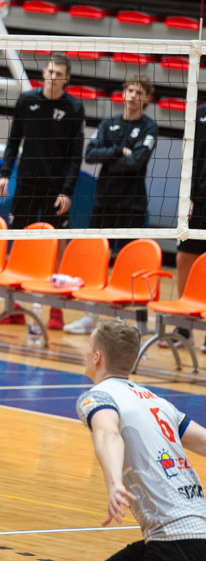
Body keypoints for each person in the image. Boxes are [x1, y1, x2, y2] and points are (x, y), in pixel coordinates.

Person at [77, 318, 206, 560]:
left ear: (97, 357)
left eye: (89, 346)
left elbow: (108, 432)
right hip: (195, 533)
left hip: (174, 540)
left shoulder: (97, 397)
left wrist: (114, 483)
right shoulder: (159, 402)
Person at [0, 53, 85, 329]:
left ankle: (55, 311)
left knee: (56, 246)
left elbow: (76, 156)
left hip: (55, 189)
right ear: (43, 73)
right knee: (19, 244)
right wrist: (4, 174)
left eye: (59, 73)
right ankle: (14, 308)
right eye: (49, 71)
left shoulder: (74, 107)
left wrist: (67, 191)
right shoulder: (27, 101)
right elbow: (13, 142)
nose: (53, 77)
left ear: (67, 78)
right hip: (26, 184)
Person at [66, 76, 158, 335]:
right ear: (123, 93)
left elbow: (137, 161)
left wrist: (110, 157)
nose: (133, 95)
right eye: (129, 90)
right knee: (96, 258)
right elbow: (90, 154)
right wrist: (119, 151)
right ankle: (90, 317)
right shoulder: (108, 123)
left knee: (135, 264)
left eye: (139, 92)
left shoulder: (150, 127)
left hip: (132, 204)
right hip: (104, 200)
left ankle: (138, 323)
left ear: (147, 98)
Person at [172, 102, 206, 350]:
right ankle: (184, 324)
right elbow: (190, 156)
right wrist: (187, 195)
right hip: (199, 198)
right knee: (184, 257)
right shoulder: (201, 112)